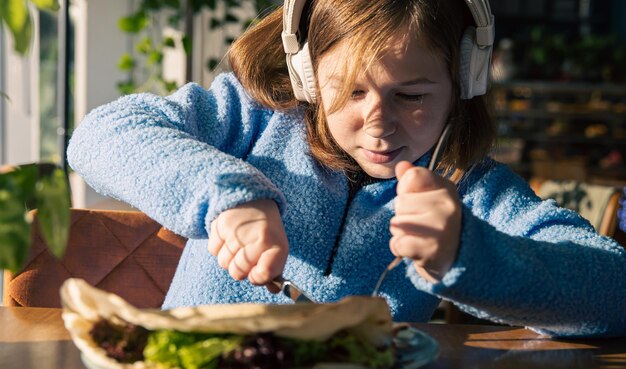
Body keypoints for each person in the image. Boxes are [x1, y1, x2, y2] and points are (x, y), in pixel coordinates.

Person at [67, 0, 626, 338]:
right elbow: (99, 135)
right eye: (350, 91)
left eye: (410, 95)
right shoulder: (252, 118)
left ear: (465, 81)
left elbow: (614, 289)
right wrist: (228, 197)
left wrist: (468, 253)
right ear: (309, 77)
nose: (378, 123)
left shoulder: (467, 185)